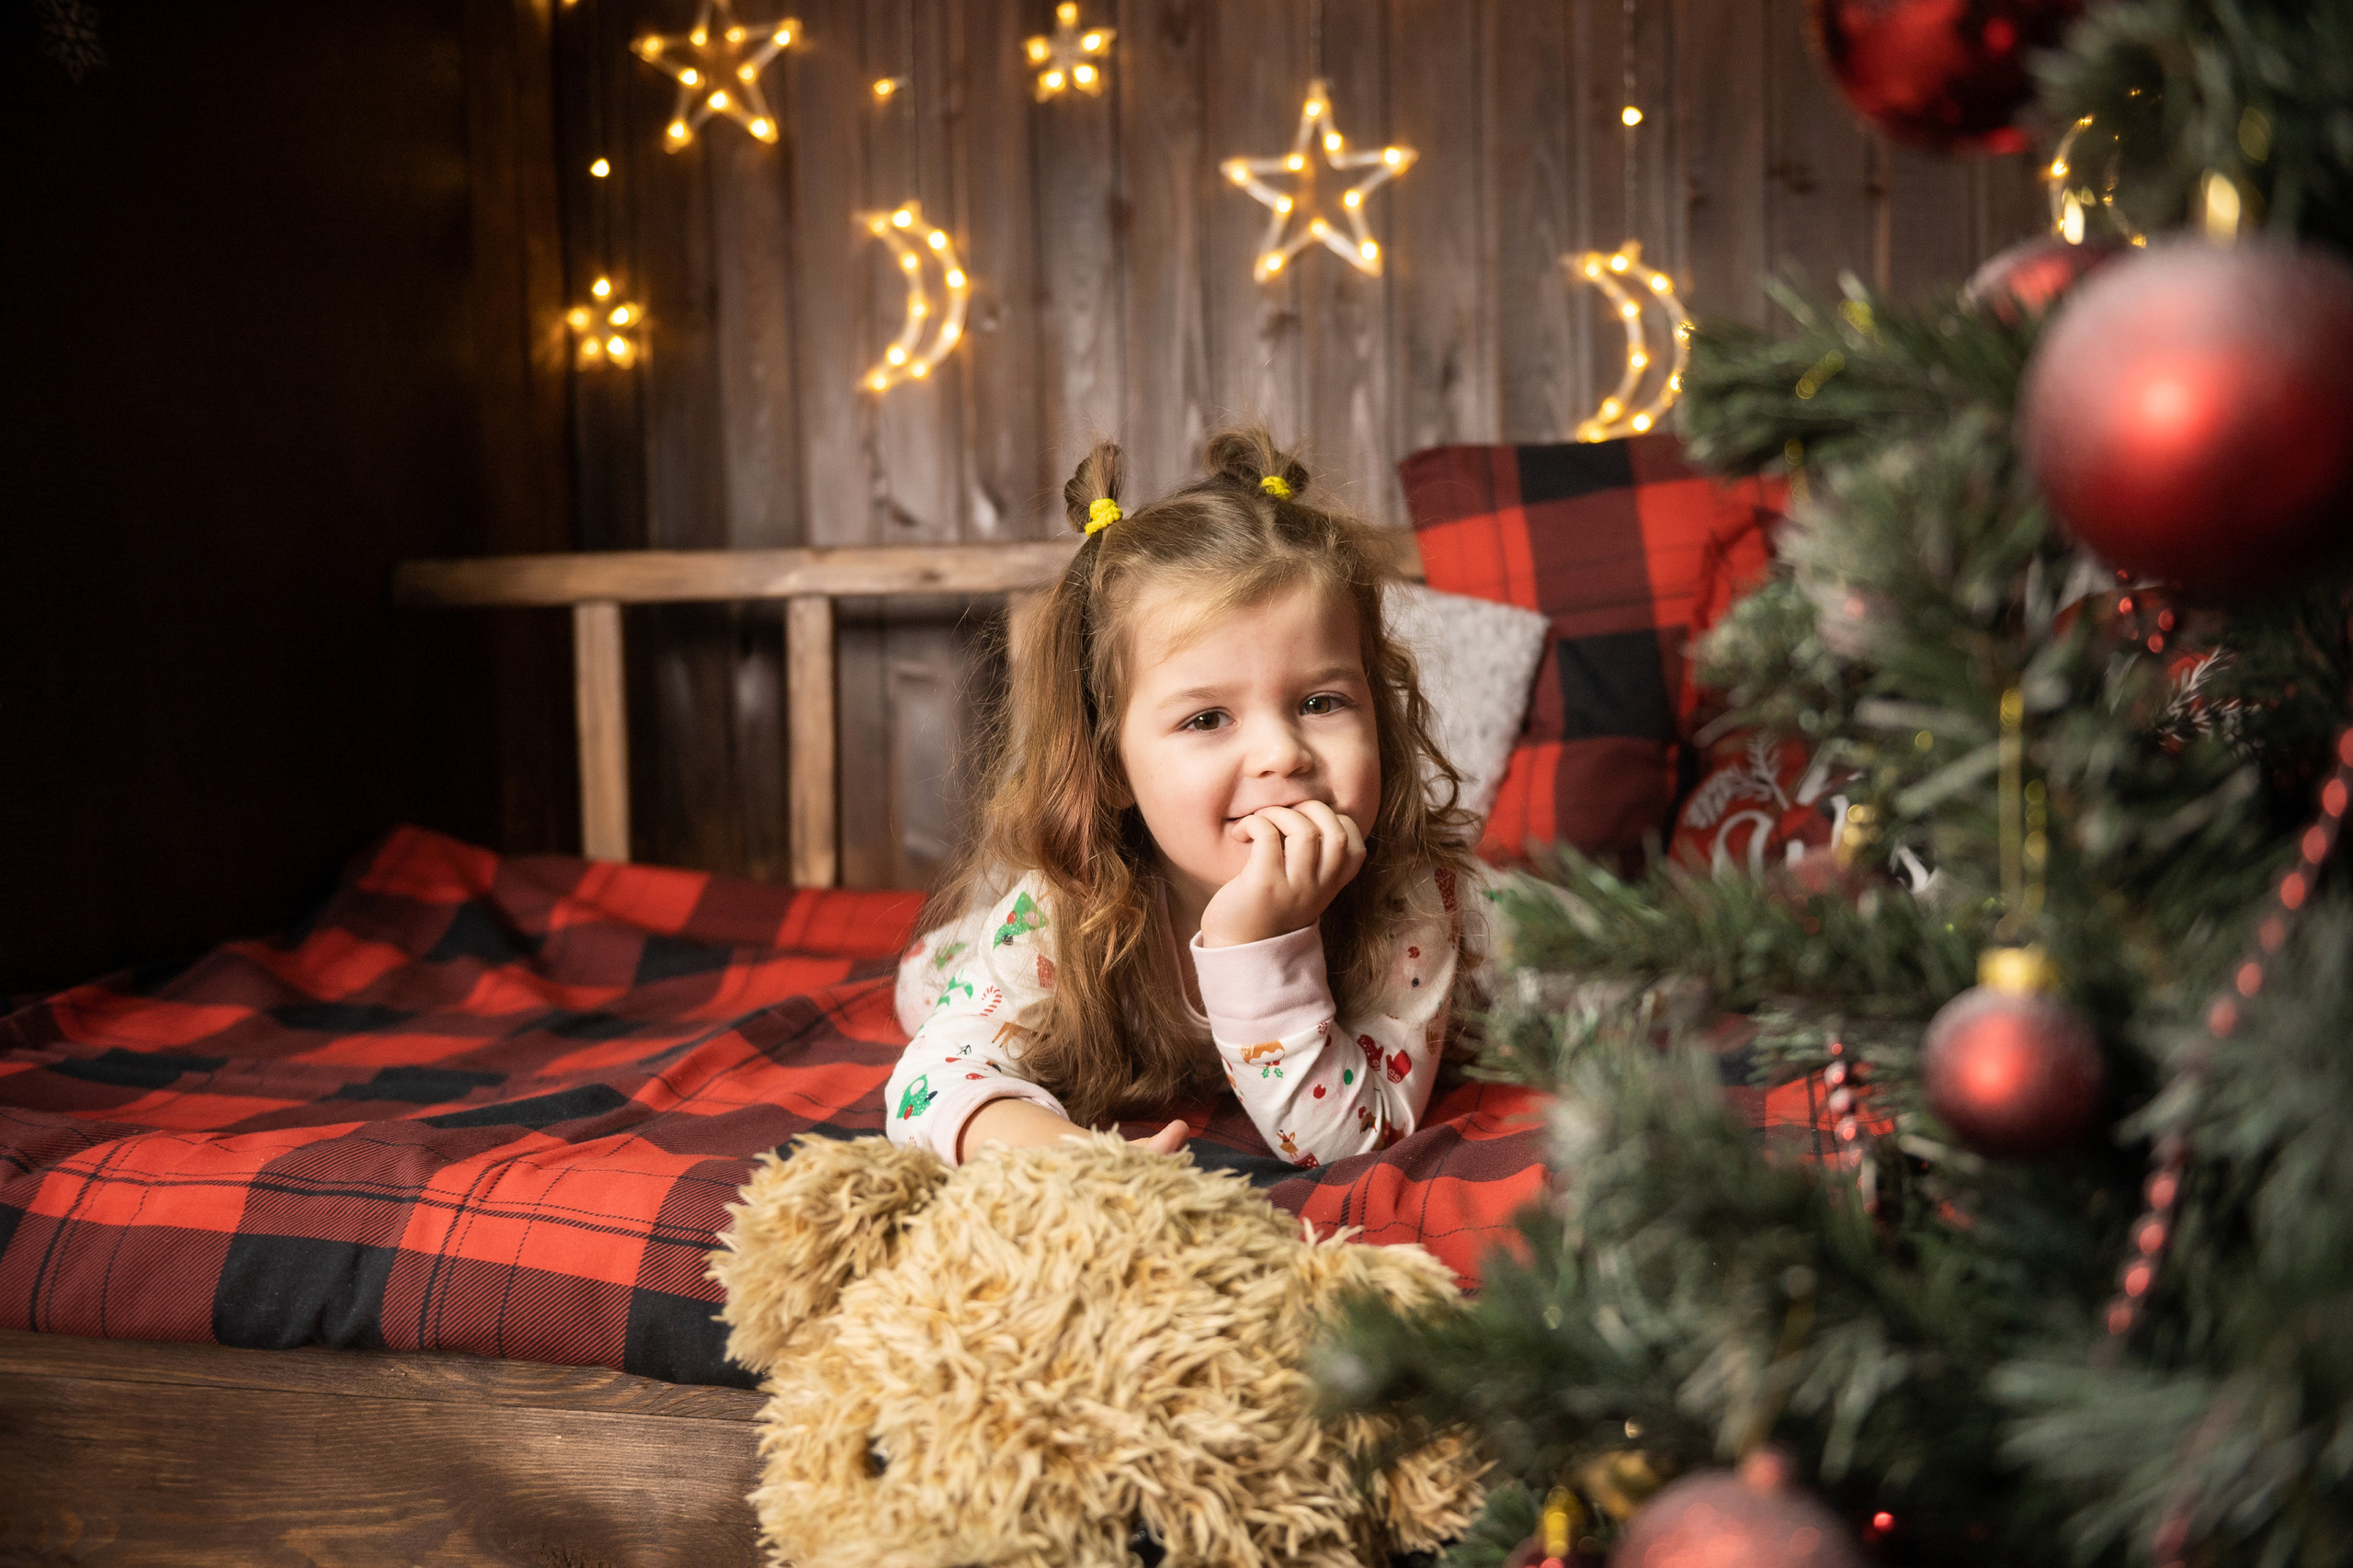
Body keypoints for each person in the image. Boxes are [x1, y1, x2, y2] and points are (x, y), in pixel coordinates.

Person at [884, 427, 1486, 1171]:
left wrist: (1259, 948)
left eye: (1322, 702)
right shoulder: (1065, 906)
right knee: (931, 992)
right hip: (979, 965)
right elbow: (925, 1090)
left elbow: (1355, 1138)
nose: (1281, 754)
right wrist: (1073, 1159)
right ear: (1109, 767)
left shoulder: (1407, 903)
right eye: (1206, 719)